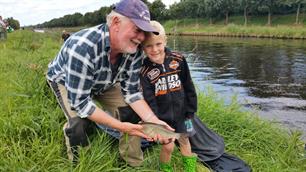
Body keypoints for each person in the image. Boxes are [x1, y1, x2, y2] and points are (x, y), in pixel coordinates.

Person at [46, 0, 174, 166]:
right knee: (78, 123)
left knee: (130, 112)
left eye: (144, 32)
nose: (141, 37)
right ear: (115, 23)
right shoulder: (83, 48)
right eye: (137, 29)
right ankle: (81, 164)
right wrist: (121, 126)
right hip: (65, 80)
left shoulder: (133, 49)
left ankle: (132, 162)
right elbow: (81, 103)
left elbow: (132, 92)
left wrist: (154, 120)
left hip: (105, 80)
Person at [141, 20, 198, 171]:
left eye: (158, 44)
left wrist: (191, 110)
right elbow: (149, 99)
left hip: (183, 115)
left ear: (165, 41)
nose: (155, 49)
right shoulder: (144, 71)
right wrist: (156, 121)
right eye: (148, 46)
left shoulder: (178, 59)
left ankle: (190, 169)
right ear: (142, 47)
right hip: (162, 119)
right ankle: (165, 169)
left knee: (185, 140)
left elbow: (188, 85)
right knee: (169, 147)